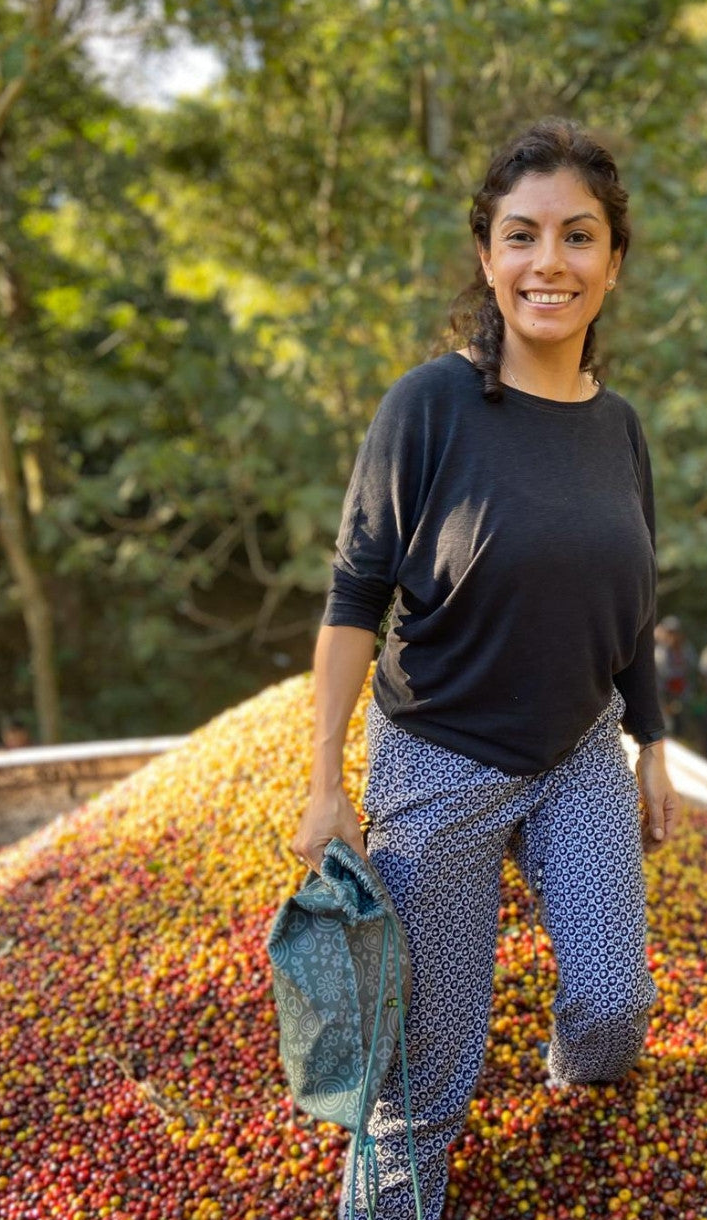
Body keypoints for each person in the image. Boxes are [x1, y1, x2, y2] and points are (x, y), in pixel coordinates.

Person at [291, 117, 681, 1220]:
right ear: (485, 256)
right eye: (520, 236)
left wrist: (649, 742)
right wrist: (327, 781)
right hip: (439, 756)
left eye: (575, 236)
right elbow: (354, 594)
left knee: (611, 1010)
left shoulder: (620, 430)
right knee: (429, 1075)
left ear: (610, 259)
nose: (546, 262)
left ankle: (568, 1076)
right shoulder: (429, 406)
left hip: (575, 752)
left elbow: (629, 599)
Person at [654, 614, 697, 738]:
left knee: (683, 728)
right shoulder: (659, 652)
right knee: (668, 728)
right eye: (669, 632)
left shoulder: (687, 649)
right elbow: (664, 675)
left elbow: (691, 671)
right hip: (665, 697)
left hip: (683, 695)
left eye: (675, 632)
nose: (673, 636)